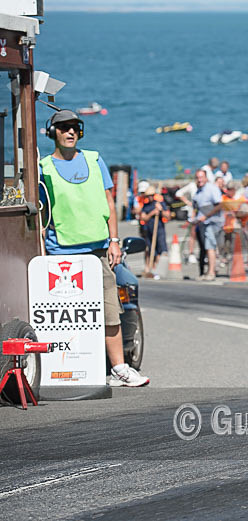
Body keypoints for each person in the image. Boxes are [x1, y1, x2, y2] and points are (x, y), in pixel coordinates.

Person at [38, 109, 149, 387]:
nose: (70, 132)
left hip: (98, 251)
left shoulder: (94, 159)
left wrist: (113, 241)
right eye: (63, 128)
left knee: (110, 310)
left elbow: (109, 203)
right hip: (60, 251)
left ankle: (119, 369)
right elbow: (41, 214)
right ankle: (61, 370)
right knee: (63, 317)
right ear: (53, 132)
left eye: (75, 127)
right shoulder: (43, 167)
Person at [192, 168, 223, 281]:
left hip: (212, 222)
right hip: (202, 223)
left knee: (210, 246)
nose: (199, 180)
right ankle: (204, 272)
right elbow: (196, 207)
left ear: (206, 178)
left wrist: (206, 216)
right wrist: (194, 218)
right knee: (203, 248)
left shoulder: (212, 189)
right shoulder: (198, 191)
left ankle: (211, 272)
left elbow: (219, 205)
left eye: (201, 177)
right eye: (198, 177)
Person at [138, 185, 168, 278]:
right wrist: (153, 212)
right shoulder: (146, 206)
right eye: (148, 196)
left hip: (159, 230)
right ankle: (150, 268)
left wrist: (161, 210)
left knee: (160, 250)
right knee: (150, 250)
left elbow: (168, 216)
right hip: (149, 230)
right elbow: (143, 218)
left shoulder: (160, 203)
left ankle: (156, 269)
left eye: (151, 195)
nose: (149, 197)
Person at [176, 178, 199, 263]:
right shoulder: (192, 186)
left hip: (202, 214)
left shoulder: (206, 186)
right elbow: (178, 193)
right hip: (193, 214)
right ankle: (191, 253)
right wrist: (187, 202)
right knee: (192, 234)